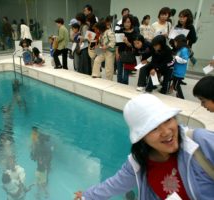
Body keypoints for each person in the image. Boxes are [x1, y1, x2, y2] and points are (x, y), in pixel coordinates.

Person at [75, 93, 214, 200]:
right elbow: (113, 185)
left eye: (168, 120)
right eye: (153, 128)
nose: (166, 132)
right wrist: (87, 196)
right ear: (142, 137)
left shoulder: (201, 142)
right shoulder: (138, 162)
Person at [116, 15, 138, 85]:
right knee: (119, 72)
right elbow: (117, 44)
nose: (126, 24)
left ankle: (125, 87)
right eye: (125, 22)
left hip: (129, 54)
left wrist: (127, 42)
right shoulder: (120, 31)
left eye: (128, 22)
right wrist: (116, 53)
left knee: (126, 74)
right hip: (120, 53)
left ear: (131, 23)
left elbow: (135, 45)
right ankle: (118, 86)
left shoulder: (135, 32)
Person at [171, 34, 190, 99]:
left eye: (175, 42)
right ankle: (178, 96)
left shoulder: (184, 50)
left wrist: (176, 57)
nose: (175, 44)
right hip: (176, 70)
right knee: (175, 85)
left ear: (179, 42)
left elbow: (185, 60)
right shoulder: (180, 49)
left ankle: (181, 97)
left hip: (180, 72)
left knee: (176, 86)